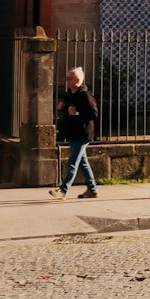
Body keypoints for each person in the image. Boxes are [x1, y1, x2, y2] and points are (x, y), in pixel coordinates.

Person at [50, 66, 100, 200]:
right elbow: (68, 113)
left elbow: (94, 114)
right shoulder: (68, 95)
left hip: (83, 134)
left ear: (77, 80)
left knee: (72, 162)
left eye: (69, 78)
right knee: (83, 163)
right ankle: (92, 190)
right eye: (66, 78)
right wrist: (61, 109)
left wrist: (77, 113)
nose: (66, 80)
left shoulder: (85, 95)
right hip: (73, 133)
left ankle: (63, 190)